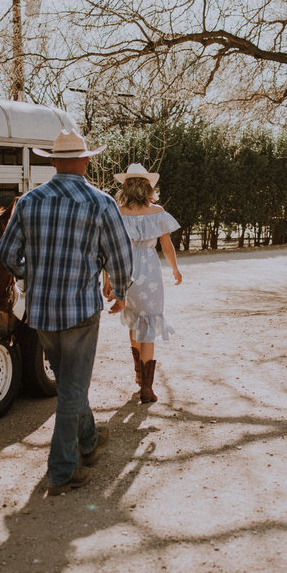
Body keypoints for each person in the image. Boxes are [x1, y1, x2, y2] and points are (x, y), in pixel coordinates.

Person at [0, 130, 133, 496]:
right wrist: (119, 292)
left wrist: (32, 274)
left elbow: (7, 254)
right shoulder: (100, 201)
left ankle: (87, 441)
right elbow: (120, 255)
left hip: (41, 311)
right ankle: (62, 470)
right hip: (80, 310)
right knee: (73, 387)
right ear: (86, 160)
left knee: (69, 381)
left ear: (53, 162)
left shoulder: (28, 201)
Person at [104, 163, 182, 404]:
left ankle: (138, 375)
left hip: (125, 271)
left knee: (133, 322)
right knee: (147, 326)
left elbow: (109, 249)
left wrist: (107, 279)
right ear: (148, 187)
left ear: (125, 187)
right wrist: (176, 270)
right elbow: (166, 247)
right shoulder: (157, 212)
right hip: (149, 272)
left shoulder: (116, 212)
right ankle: (147, 388)